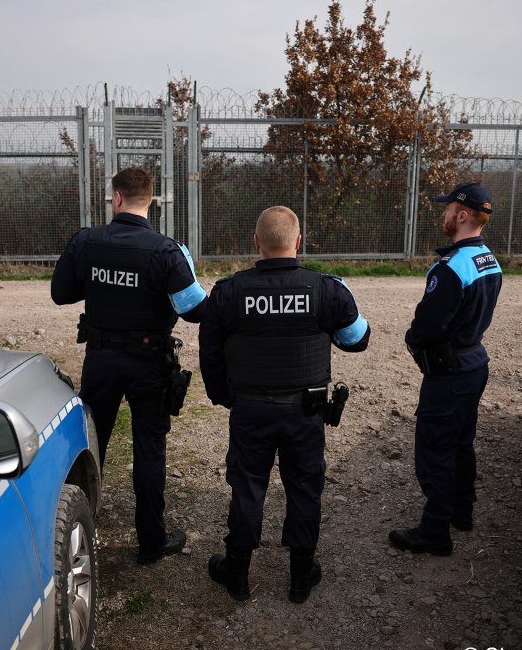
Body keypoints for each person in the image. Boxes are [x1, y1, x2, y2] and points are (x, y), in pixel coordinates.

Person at [199, 206, 370, 603]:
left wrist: (222, 395)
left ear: (256, 243)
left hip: (251, 409)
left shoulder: (229, 292)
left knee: (247, 488)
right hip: (306, 412)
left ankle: (237, 575)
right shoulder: (326, 290)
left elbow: (210, 352)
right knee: (305, 488)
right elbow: (358, 339)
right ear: (299, 242)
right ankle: (299, 578)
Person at [50, 166, 207, 565]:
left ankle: (76, 534)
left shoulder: (86, 242)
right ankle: (151, 542)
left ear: (115, 198)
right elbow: (194, 312)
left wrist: (100, 283)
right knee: (149, 449)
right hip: (150, 362)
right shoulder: (168, 251)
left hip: (101, 360)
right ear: (150, 201)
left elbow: (60, 293)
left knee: (91, 444)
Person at [389, 182, 503, 557]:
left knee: (435, 449)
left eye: (448, 208)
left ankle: (435, 531)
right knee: (460, 441)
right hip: (474, 362)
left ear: (463, 215)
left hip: (450, 370)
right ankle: (461, 511)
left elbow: (428, 325)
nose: (443, 214)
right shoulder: (488, 258)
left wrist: (414, 338)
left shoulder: (452, 267)